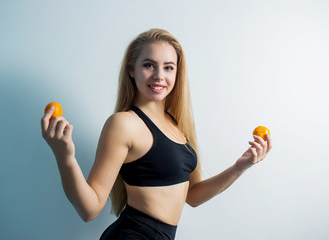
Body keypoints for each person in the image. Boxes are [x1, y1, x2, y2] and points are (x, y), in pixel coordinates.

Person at [41, 28, 272, 240]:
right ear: (132, 69)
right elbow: (89, 209)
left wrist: (240, 167)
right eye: (149, 65)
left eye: (168, 67)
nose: (159, 75)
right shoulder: (123, 124)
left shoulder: (176, 124)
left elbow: (193, 195)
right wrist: (65, 157)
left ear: (177, 72)